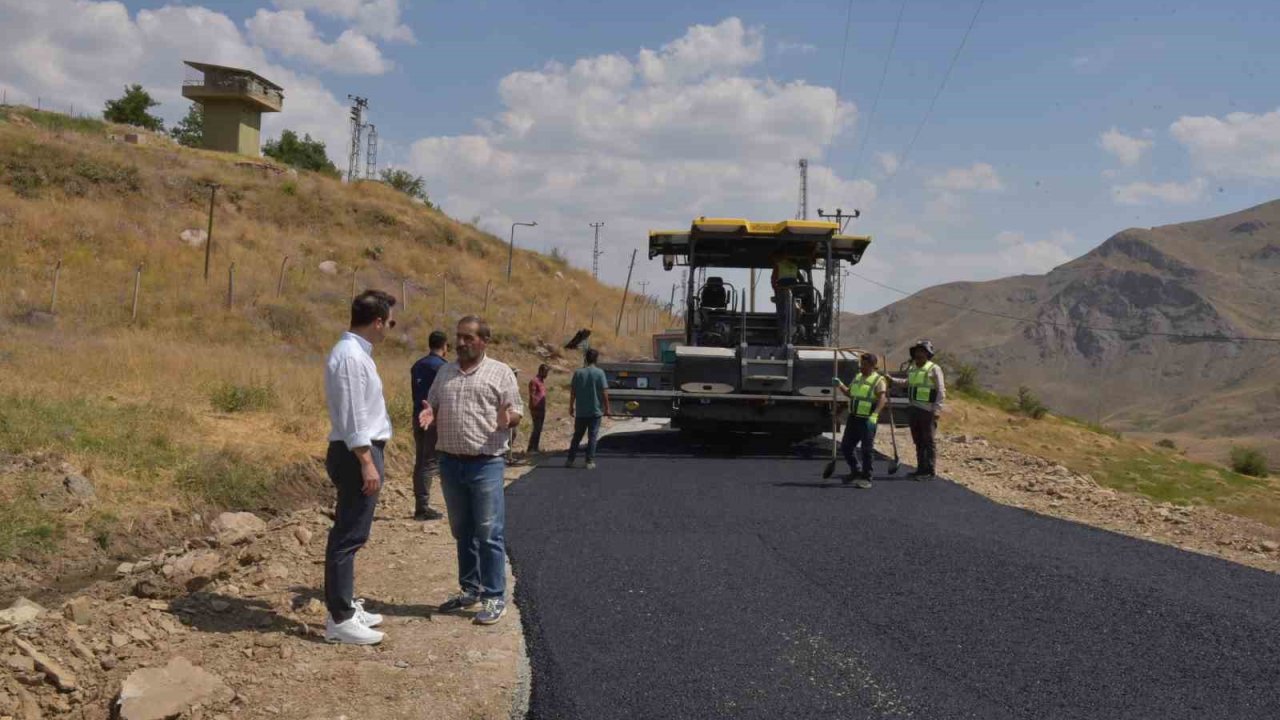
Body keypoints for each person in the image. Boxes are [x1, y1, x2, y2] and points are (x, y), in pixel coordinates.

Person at [417, 316, 523, 625]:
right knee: (462, 531)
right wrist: (428, 412)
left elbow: (516, 410)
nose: (461, 343)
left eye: (468, 338)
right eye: (459, 337)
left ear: (484, 341)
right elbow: (432, 404)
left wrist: (509, 420)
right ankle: (471, 589)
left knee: (489, 532)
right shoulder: (445, 372)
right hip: (450, 463)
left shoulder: (500, 372)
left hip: (486, 463)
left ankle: (494, 597)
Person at [322, 289, 396, 645]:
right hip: (357, 453)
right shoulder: (351, 357)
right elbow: (353, 415)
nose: (390, 330)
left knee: (353, 533)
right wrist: (366, 461)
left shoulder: (356, 354)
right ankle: (340, 618)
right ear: (378, 321)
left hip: (359, 450)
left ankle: (346, 604)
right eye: (390, 323)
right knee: (348, 535)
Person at [409, 330, 449, 521]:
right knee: (430, 462)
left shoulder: (417, 365)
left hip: (417, 416)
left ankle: (420, 503)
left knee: (420, 461)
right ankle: (423, 508)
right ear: (445, 346)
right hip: (433, 419)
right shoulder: (442, 367)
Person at [892, 339, 946, 480]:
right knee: (918, 440)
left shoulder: (934, 368)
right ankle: (920, 469)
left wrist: (937, 409)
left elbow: (941, 390)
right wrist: (892, 380)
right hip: (913, 408)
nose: (918, 354)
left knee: (928, 441)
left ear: (928, 354)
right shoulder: (913, 368)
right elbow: (906, 383)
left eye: (922, 351)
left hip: (927, 411)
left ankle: (929, 471)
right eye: (917, 352)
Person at [833, 354, 887, 489]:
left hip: (867, 419)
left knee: (866, 449)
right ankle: (855, 470)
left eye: (863, 364)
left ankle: (867, 477)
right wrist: (840, 385)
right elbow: (850, 394)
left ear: (871, 366)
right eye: (860, 364)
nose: (860, 367)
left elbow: (882, 399)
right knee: (846, 447)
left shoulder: (878, 380)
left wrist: (874, 415)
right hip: (854, 418)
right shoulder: (857, 377)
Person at [566, 348, 610, 469]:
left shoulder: (578, 373)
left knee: (577, 436)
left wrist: (571, 407)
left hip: (581, 411)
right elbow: (605, 392)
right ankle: (589, 461)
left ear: (585, 358)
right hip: (595, 411)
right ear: (596, 359)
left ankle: (570, 460)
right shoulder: (600, 373)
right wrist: (607, 408)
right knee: (593, 437)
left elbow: (573, 392)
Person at [770, 250, 801, 343]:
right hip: (794, 292)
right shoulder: (795, 266)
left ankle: (782, 334)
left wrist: (776, 290)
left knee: (782, 313)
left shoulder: (779, 265)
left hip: (782, 291)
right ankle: (792, 332)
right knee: (792, 313)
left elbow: (773, 280)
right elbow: (801, 279)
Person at [527, 364, 550, 454]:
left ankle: (535, 447)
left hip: (541, 408)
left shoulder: (541, 381)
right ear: (541, 371)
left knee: (539, 428)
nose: (546, 374)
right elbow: (532, 395)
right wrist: (534, 408)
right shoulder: (534, 381)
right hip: (536, 409)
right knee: (536, 428)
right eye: (545, 372)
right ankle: (531, 448)